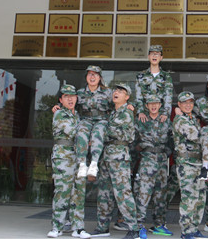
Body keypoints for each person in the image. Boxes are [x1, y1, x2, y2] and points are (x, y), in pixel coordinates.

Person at [91, 83, 139, 239]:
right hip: (107, 156)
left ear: (127, 97)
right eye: (115, 90)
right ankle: (102, 227)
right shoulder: (113, 113)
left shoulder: (127, 113)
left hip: (119, 157)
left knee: (123, 193)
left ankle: (133, 228)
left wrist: (104, 130)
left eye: (121, 91)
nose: (116, 92)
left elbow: (129, 136)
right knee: (104, 193)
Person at [48, 84, 91, 239]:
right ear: (61, 100)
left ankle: (78, 228)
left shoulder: (77, 116)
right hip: (63, 157)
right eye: (66, 97)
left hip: (78, 157)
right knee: (62, 191)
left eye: (72, 96)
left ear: (76, 98)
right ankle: (57, 227)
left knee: (78, 192)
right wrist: (88, 135)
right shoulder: (60, 114)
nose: (70, 99)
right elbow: (74, 133)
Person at [133, 93, 174, 238]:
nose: (153, 106)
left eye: (156, 103)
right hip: (147, 161)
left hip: (162, 161)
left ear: (160, 105)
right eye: (151, 103)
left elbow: (172, 141)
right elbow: (134, 140)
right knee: (143, 193)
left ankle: (158, 225)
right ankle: (139, 225)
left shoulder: (166, 121)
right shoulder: (141, 120)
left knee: (161, 194)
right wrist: (141, 151)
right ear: (146, 106)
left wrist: (166, 153)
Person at [172, 91, 208, 239]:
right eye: (184, 102)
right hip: (186, 164)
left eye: (191, 102)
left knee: (200, 198)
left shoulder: (193, 119)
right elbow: (195, 136)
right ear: (179, 104)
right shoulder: (180, 120)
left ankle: (194, 228)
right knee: (189, 198)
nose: (188, 105)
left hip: (198, 164)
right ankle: (186, 231)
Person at [75, 65, 113, 179]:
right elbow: (70, 104)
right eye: (90, 74)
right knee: (81, 132)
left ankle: (94, 163)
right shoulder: (80, 92)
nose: (92, 77)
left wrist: (129, 106)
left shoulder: (107, 92)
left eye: (95, 75)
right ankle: (82, 164)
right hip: (86, 119)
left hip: (102, 120)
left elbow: (117, 104)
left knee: (98, 132)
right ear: (86, 77)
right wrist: (58, 106)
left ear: (100, 77)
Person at [136, 45, 173, 123]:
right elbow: (138, 96)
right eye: (152, 54)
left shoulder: (166, 76)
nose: (154, 56)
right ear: (148, 56)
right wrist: (140, 111)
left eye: (157, 54)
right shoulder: (141, 76)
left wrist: (166, 113)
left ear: (161, 57)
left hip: (161, 116)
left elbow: (168, 96)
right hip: (145, 116)